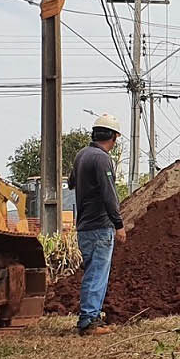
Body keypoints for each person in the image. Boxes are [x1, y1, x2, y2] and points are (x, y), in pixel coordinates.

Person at [67, 113, 126, 336]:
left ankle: (93, 316)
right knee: (97, 272)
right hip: (99, 226)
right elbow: (109, 195)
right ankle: (88, 320)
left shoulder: (82, 155)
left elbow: (72, 182)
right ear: (113, 137)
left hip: (84, 225)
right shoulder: (102, 158)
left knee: (93, 270)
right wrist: (118, 224)